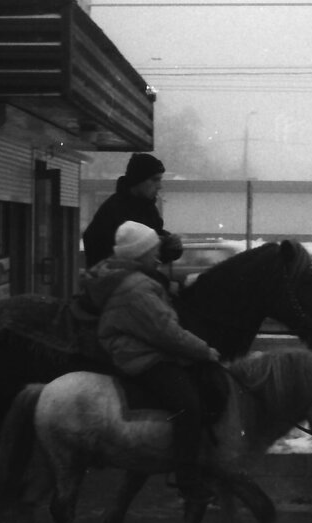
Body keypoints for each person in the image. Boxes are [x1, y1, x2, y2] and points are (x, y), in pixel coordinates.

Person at [82, 221, 221, 503]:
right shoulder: (136, 287)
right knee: (188, 403)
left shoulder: (130, 278)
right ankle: (187, 477)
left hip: (139, 347)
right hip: (140, 355)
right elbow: (166, 332)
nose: (157, 255)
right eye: (152, 249)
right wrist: (204, 351)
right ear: (140, 253)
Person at [82, 153, 183, 268]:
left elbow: (152, 250)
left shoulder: (147, 208)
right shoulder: (113, 210)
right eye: (155, 180)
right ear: (138, 180)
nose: (159, 186)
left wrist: (171, 245)